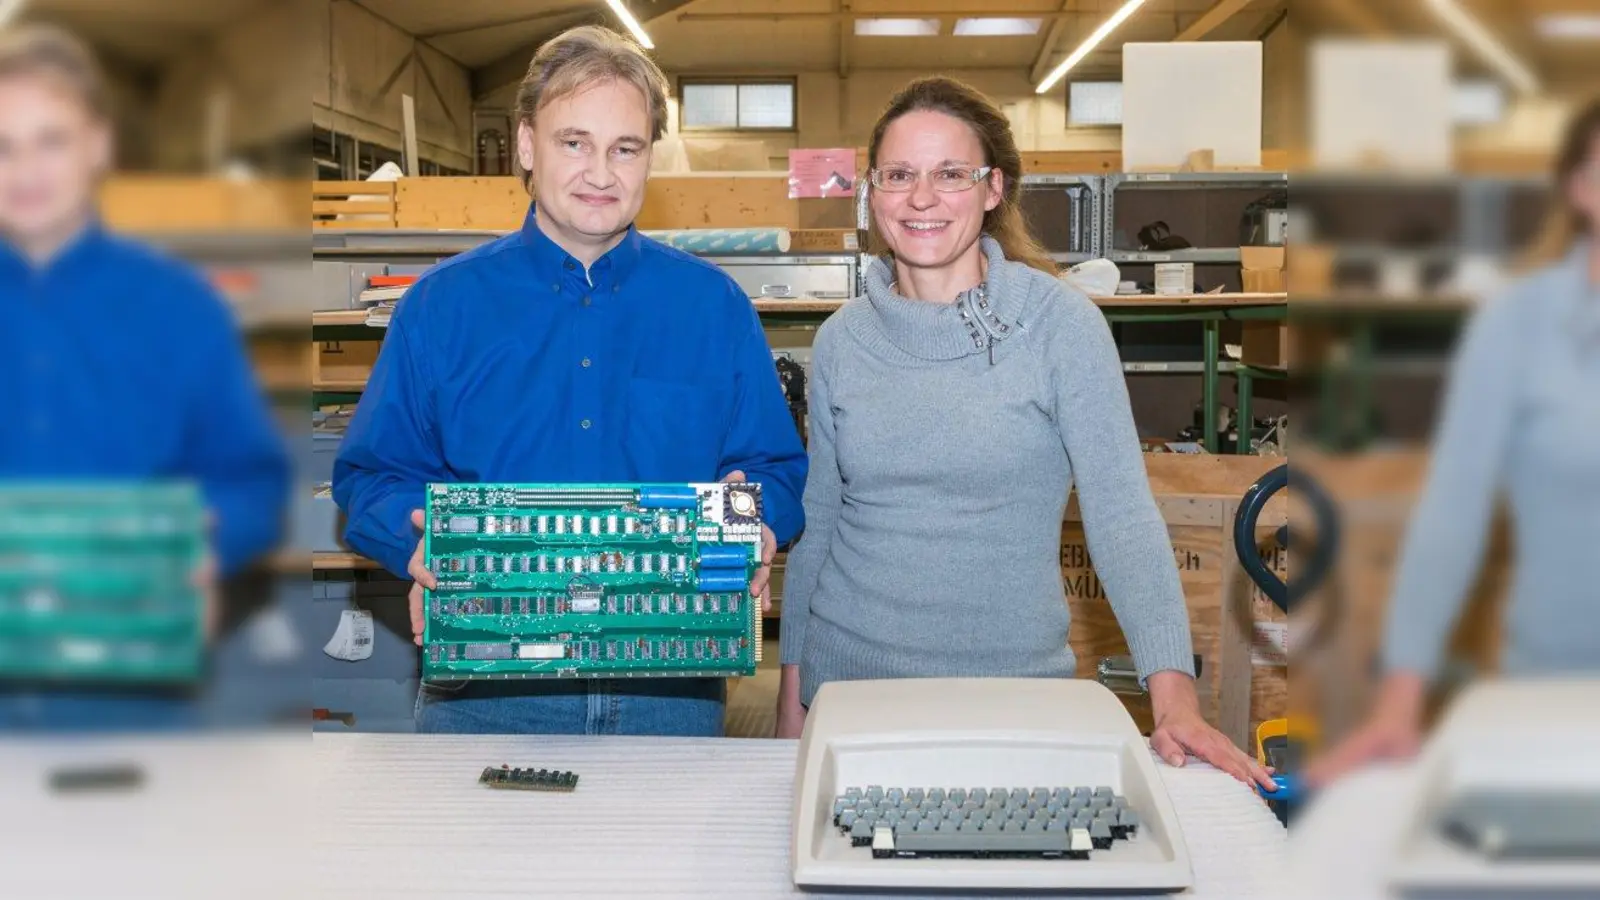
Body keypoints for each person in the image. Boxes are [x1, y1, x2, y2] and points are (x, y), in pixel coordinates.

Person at [774, 76, 1273, 790]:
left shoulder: (1061, 327)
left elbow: (1123, 518)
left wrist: (1176, 701)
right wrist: (794, 707)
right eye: (899, 175)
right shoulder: (842, 342)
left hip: (1012, 696)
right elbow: (819, 525)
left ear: (992, 188)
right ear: (872, 191)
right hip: (852, 696)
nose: (922, 198)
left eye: (951, 174)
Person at [333, 26, 806, 737]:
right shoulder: (441, 307)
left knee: (663, 855)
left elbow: (775, 467)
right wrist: (417, 538)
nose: (601, 172)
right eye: (574, 142)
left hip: (669, 686)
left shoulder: (714, 309)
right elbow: (371, 476)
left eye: (626, 148)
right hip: (489, 689)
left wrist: (757, 527)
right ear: (526, 146)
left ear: (649, 157)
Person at [0, 25, 290, 730]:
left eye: (52, 141)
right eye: (4, 146)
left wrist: (202, 539)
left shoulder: (178, 307)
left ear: (98, 145)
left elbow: (253, 480)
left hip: (127, 698)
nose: (25, 170)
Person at [1305, 98, 1600, 786]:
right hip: (1558, 688)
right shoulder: (1517, 326)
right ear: (1581, 189)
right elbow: (1453, 511)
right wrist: (1399, 702)